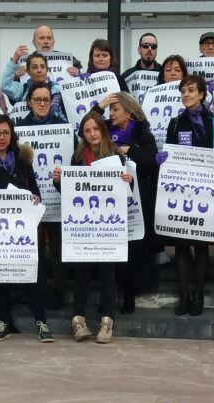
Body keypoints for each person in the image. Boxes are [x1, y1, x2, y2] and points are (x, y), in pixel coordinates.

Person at [0, 113, 54, 343]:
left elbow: (34, 189)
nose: (1, 137)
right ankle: (2, 322)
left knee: (29, 274)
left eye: (6, 132)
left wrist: (35, 198)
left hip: (20, 230)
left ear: (12, 135)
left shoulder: (22, 158)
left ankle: (41, 322)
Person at [53, 111, 133, 343]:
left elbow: (126, 194)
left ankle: (107, 323)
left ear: (102, 130)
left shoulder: (116, 156)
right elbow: (69, 192)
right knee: (82, 273)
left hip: (107, 226)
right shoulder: (77, 157)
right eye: (87, 130)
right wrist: (58, 182)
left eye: (95, 129)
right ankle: (78, 322)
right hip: (82, 226)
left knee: (108, 273)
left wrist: (130, 181)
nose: (92, 134)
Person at [163, 74, 214, 316]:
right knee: (182, 244)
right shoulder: (175, 123)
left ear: (202, 94)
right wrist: (161, 159)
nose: (186, 94)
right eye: (183, 91)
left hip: (207, 191)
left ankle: (199, 293)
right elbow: (168, 155)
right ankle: (184, 295)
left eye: (191, 90)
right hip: (182, 191)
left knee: (201, 244)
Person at [101, 92, 158, 314]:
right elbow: (84, 129)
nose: (111, 113)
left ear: (129, 112)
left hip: (136, 200)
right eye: (109, 110)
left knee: (133, 250)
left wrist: (130, 150)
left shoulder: (144, 134)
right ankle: (111, 293)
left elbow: (151, 165)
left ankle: (129, 295)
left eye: (115, 109)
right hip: (109, 200)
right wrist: (100, 105)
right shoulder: (104, 130)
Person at [17, 81, 71, 309]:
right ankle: (35, 292)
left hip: (57, 199)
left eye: (46, 100)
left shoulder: (63, 126)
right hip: (32, 199)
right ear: (29, 102)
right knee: (34, 248)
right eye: (37, 99)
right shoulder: (19, 128)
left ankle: (58, 292)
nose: (41, 103)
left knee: (58, 250)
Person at [2, 25, 82, 103]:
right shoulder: (21, 65)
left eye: (49, 38)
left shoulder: (70, 61)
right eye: (42, 38)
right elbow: (13, 98)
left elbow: (82, 94)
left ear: (53, 41)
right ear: (34, 42)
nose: (46, 41)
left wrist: (79, 74)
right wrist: (15, 76)